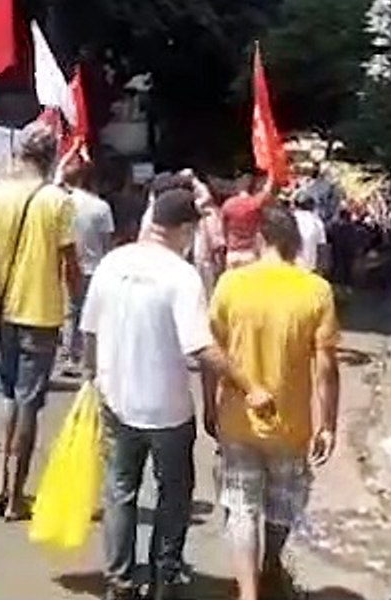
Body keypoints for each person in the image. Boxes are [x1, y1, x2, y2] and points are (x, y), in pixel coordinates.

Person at [81, 189, 272, 600]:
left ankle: (120, 580)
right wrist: (250, 386)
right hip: (167, 408)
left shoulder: (113, 263)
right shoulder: (181, 275)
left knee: (120, 490)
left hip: (115, 399)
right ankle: (165, 577)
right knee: (173, 493)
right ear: (185, 229)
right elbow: (201, 347)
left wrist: (92, 378)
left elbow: (89, 333)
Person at [209, 205, 341, 600]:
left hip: (238, 418)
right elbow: (327, 366)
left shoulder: (231, 284)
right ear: (296, 244)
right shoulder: (316, 290)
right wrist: (328, 424)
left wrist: (209, 405)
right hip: (291, 421)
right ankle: (270, 567)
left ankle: (248, 593)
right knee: (283, 503)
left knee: (242, 505)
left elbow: (210, 351)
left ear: (261, 238)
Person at [0, 119, 80, 523]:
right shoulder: (58, 201)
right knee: (30, 404)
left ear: (18, 154)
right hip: (42, 314)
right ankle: (16, 496)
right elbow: (70, 266)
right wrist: (80, 315)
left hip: (3, 314)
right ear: (50, 159)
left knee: (9, 396)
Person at [60, 160, 114, 376]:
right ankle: (88, 358)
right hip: (96, 266)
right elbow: (107, 241)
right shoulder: (101, 207)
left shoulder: (63, 204)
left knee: (71, 312)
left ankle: (69, 355)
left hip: (70, 263)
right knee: (94, 314)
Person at [220, 172, 275, 271]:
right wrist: (272, 173)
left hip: (232, 253)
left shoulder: (228, 204)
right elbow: (268, 190)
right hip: (250, 252)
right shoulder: (256, 203)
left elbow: (223, 230)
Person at [292, 193, 328, 275]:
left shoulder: (290, 218)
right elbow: (322, 247)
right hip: (310, 268)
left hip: (290, 266)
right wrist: (322, 271)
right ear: (312, 206)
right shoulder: (317, 222)